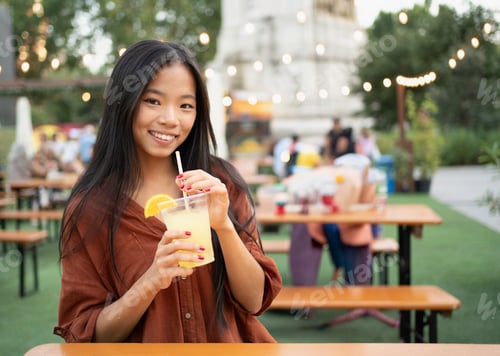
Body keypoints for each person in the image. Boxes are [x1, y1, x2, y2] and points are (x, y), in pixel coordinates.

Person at [54, 40, 282, 343]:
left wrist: (224, 226)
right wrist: (149, 281)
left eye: (185, 105)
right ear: (124, 103)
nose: (171, 119)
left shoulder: (221, 183)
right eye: (153, 101)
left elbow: (254, 301)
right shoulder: (91, 209)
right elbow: (89, 335)